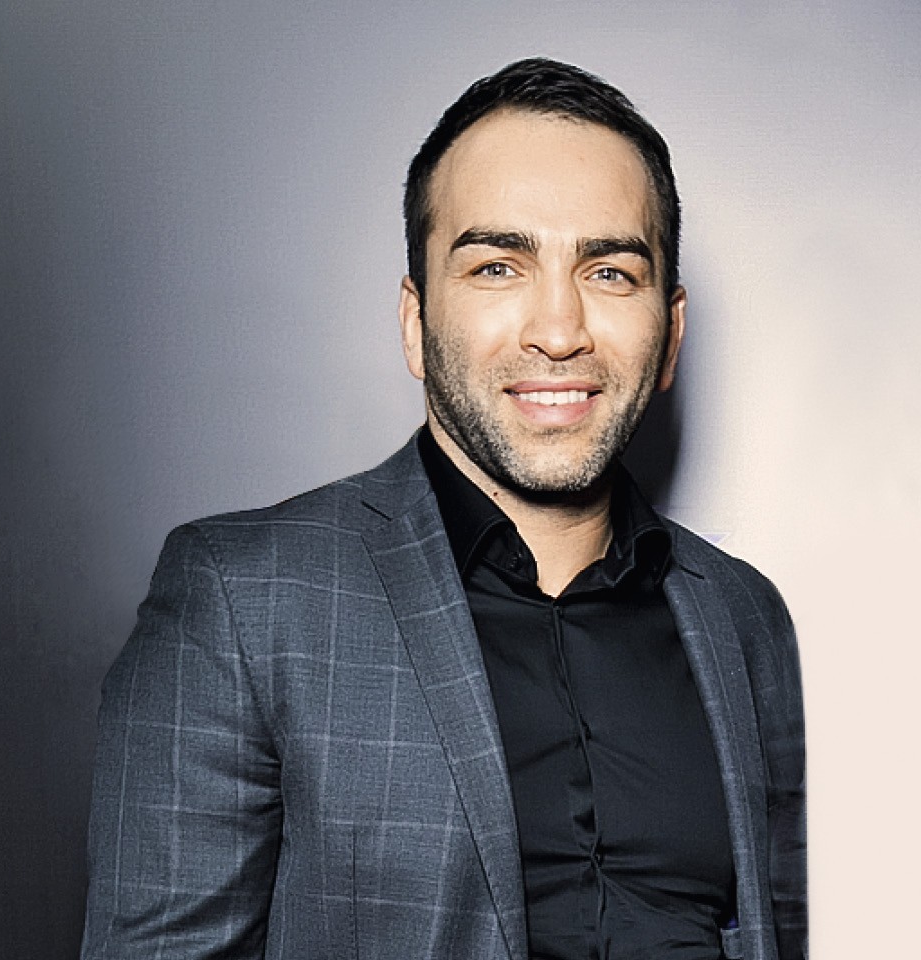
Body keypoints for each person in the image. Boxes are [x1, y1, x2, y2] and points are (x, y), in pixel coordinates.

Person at [80, 58, 806, 960]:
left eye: (610, 272)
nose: (558, 330)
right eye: (498, 266)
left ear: (670, 333)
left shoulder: (745, 617)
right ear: (415, 323)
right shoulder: (243, 603)